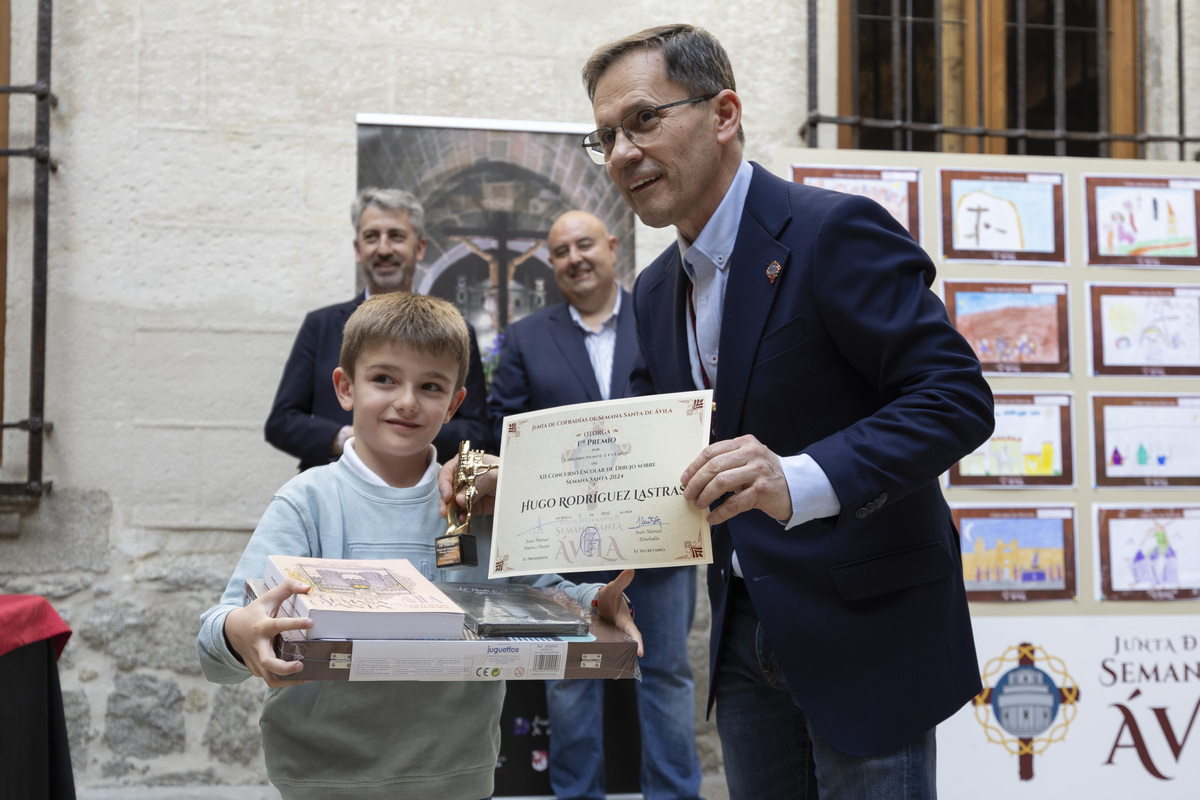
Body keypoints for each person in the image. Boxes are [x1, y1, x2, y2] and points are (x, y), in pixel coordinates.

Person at [576, 24, 997, 800]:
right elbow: (654, 461)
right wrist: (556, 525)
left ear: (724, 113)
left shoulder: (834, 230)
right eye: (605, 137)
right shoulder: (657, 289)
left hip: (867, 632)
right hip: (741, 633)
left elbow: (955, 399)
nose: (624, 153)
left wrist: (797, 478)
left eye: (642, 119)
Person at [199, 291, 641, 800]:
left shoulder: (476, 505)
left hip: (459, 776)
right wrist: (240, 630)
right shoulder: (307, 502)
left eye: (430, 386)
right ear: (345, 387)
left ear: (455, 402)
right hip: (323, 778)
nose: (407, 401)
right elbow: (216, 643)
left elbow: (538, 590)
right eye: (384, 378)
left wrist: (595, 602)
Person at [487, 210, 702, 800]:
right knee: (572, 682)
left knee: (664, 674)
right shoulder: (529, 336)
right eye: (561, 251)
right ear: (552, 264)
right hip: (565, 551)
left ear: (612, 248)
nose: (575, 258)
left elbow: (688, 406)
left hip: (657, 539)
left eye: (585, 245)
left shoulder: (660, 315)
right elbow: (502, 426)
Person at [265, 187, 492, 471]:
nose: (383, 249)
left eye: (396, 236)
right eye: (372, 237)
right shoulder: (320, 325)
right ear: (358, 249)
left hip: (421, 493)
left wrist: (402, 436)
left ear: (419, 247)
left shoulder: (457, 331)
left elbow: (477, 432)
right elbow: (282, 422)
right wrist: (351, 438)